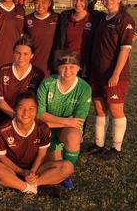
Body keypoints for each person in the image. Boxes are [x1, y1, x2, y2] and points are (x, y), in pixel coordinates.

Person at [0, 91, 72, 196]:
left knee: (68, 167)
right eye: (22, 108)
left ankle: (30, 184)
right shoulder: (3, 129)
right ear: (15, 109)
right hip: (12, 169)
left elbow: (42, 154)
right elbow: (2, 157)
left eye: (31, 109)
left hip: (36, 170)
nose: (26, 113)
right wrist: (22, 172)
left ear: (37, 110)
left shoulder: (43, 128)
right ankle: (31, 188)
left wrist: (32, 172)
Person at [88, 0, 136, 160]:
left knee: (116, 111)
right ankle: (99, 144)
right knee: (100, 110)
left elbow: (125, 49)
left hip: (114, 74)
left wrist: (115, 74)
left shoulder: (124, 19)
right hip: (97, 72)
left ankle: (116, 148)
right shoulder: (102, 18)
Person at [37, 50, 92, 190]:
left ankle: (67, 175)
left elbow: (78, 121)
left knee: (74, 136)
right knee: (51, 167)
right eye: (63, 67)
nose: (68, 71)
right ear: (57, 67)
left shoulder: (84, 88)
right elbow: (40, 115)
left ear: (79, 68)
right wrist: (67, 121)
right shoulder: (48, 83)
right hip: (47, 128)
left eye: (72, 67)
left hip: (64, 130)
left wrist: (58, 122)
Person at [0, 36, 45, 125]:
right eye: (18, 53)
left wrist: (24, 117)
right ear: (13, 53)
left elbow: (39, 102)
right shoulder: (3, 70)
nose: (21, 57)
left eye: (25, 54)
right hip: (5, 117)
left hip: (27, 119)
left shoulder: (38, 74)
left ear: (32, 55)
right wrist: (15, 115)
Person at [55, 0, 104, 80]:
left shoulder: (97, 17)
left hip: (86, 66)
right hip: (67, 64)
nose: (78, 3)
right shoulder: (65, 17)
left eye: (82, 0)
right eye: (75, 0)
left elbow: (115, 19)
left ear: (89, 1)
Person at [24, 0, 59, 76]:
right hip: (32, 64)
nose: (40, 5)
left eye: (44, 2)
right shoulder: (27, 19)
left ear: (49, 3)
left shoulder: (57, 18)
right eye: (37, 2)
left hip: (50, 66)